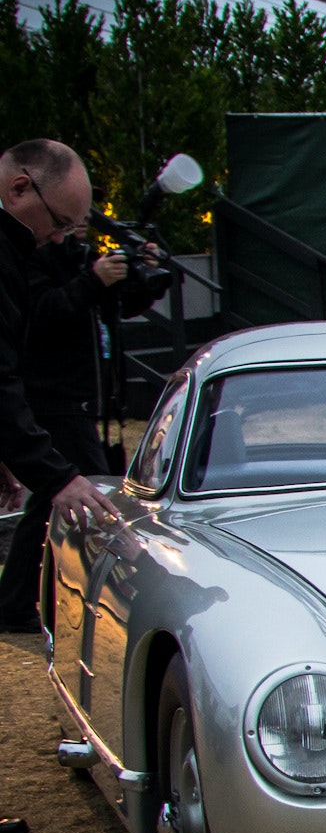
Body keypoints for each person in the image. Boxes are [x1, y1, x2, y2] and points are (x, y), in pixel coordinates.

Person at [0, 211, 165, 628]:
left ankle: (17, 600)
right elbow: (42, 316)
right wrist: (92, 281)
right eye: (63, 219)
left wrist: (137, 274)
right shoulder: (32, 256)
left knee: (51, 497)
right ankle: (24, 601)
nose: (71, 228)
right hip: (52, 395)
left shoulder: (75, 255)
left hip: (84, 395)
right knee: (78, 487)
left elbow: (117, 307)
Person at [0, 139, 113, 635]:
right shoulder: (10, 254)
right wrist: (55, 475)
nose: (59, 237)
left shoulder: (22, 246)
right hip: (51, 397)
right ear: (21, 188)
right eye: (60, 222)